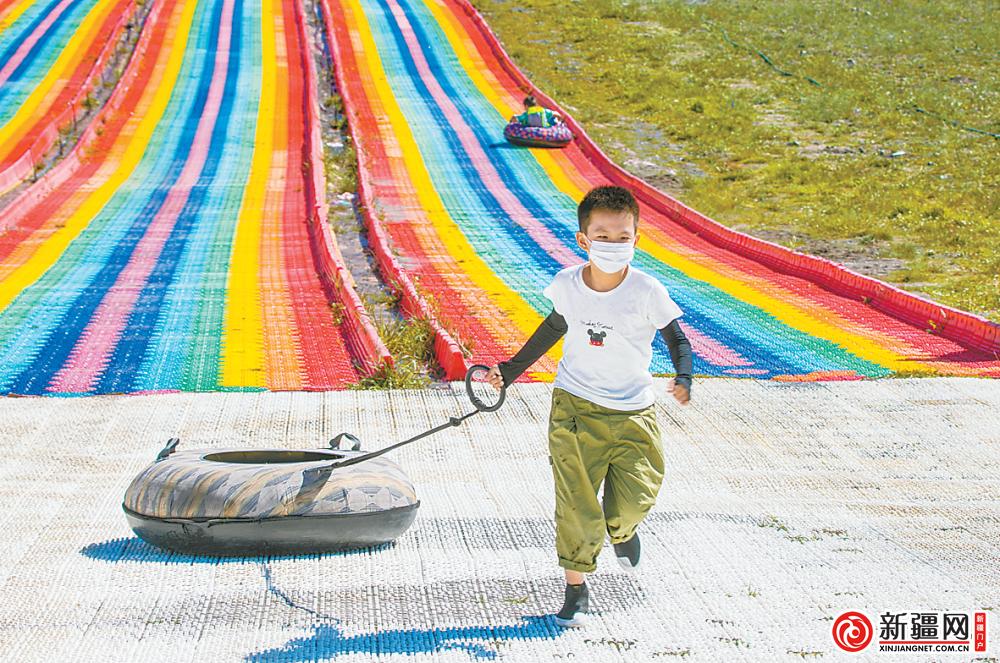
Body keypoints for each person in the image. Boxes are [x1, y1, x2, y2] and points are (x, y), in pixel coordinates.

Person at [486, 185, 693, 628]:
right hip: (575, 410)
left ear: (637, 239)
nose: (614, 245)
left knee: (637, 496)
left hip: (634, 412)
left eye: (623, 237)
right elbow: (553, 327)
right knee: (577, 504)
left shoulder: (646, 289)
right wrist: (510, 370)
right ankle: (575, 590)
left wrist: (684, 376)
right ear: (584, 240)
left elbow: (676, 335)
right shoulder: (567, 285)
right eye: (603, 236)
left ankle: (623, 532)